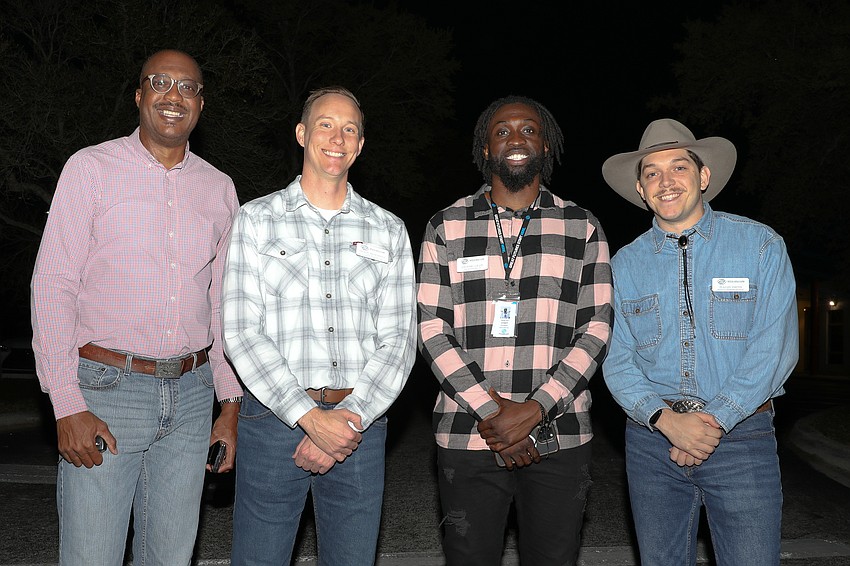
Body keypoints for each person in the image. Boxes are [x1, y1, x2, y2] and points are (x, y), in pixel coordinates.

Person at [30, 49, 243, 565]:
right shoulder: (91, 169)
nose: (174, 96)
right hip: (105, 392)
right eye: (160, 83)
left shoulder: (219, 188)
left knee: (170, 559)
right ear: (140, 95)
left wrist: (230, 406)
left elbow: (223, 303)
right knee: (91, 558)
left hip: (193, 399)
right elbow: (53, 284)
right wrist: (66, 403)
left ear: (200, 104)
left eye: (187, 87)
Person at [221, 85, 417, 565]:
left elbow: (400, 339)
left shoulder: (387, 229)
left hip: (360, 426)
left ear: (361, 145)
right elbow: (241, 330)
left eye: (350, 128)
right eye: (326, 124)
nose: (338, 136)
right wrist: (308, 419)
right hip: (272, 421)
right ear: (302, 134)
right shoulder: (256, 219)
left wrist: (346, 422)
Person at [416, 95, 614, 566]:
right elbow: (430, 328)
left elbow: (598, 327)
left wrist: (536, 409)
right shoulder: (446, 225)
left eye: (529, 129)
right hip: (468, 433)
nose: (516, 138)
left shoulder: (582, 226)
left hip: (561, 436)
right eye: (502, 131)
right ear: (485, 149)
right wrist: (496, 412)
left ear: (546, 145)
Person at [601, 118, 799, 565]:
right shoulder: (623, 265)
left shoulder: (760, 245)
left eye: (679, 168)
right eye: (651, 172)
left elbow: (776, 348)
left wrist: (713, 421)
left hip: (742, 439)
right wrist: (667, 421)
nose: (665, 182)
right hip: (653, 444)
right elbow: (616, 360)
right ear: (640, 188)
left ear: (704, 176)